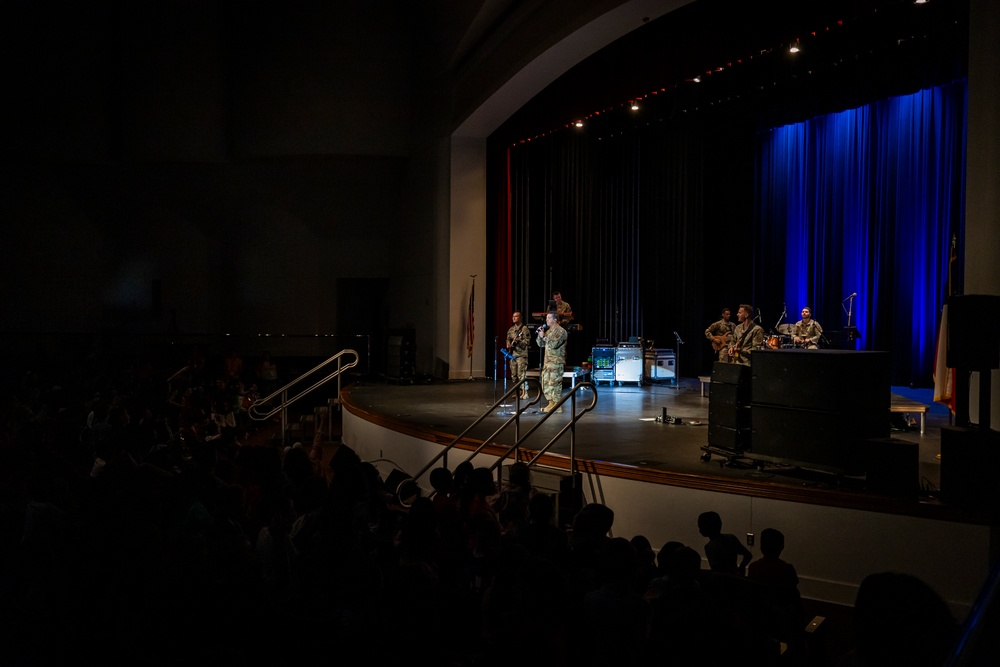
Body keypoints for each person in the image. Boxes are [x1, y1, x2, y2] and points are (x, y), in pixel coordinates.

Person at [696, 510, 751, 575]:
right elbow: (748, 555)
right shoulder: (731, 538)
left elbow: (717, 570)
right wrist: (741, 567)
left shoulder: (710, 546)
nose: (699, 530)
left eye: (700, 527)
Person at [536, 312, 567, 413]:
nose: (547, 320)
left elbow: (554, 344)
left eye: (549, 318)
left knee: (555, 384)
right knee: (545, 383)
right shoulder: (549, 332)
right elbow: (541, 344)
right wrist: (540, 335)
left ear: (555, 319)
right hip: (547, 362)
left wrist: (544, 337)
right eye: (546, 318)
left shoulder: (561, 331)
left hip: (556, 362)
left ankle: (557, 406)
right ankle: (551, 403)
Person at [505, 311, 532, 397]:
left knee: (521, 374)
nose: (514, 318)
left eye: (516, 317)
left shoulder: (524, 329)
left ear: (520, 318)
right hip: (513, 355)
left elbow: (527, 342)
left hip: (521, 355)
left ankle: (525, 393)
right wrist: (508, 344)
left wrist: (519, 341)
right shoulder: (511, 329)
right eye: (513, 316)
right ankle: (518, 392)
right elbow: (508, 338)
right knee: (514, 375)